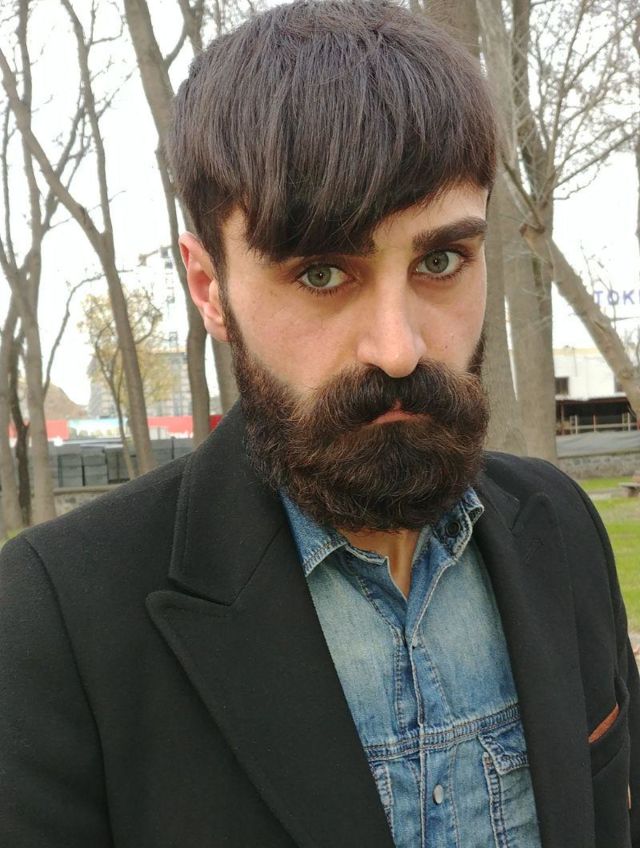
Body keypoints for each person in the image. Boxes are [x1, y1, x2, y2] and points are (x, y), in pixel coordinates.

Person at [1, 1, 638, 846]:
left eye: (441, 260)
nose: (400, 349)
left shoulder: (559, 527)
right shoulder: (53, 621)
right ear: (208, 287)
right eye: (322, 274)